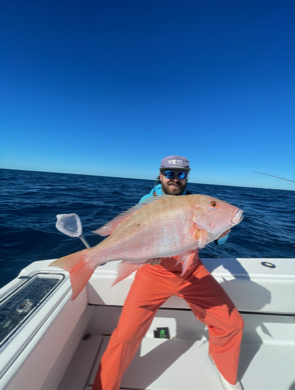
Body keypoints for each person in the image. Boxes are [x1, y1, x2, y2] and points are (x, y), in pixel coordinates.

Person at [93, 155, 244, 390]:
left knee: (232, 323)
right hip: (153, 273)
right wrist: (144, 253)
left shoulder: (196, 202)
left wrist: (222, 227)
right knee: (125, 335)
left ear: (187, 177)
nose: (175, 179)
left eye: (181, 174)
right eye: (170, 173)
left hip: (192, 272)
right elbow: (136, 234)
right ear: (160, 175)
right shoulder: (147, 201)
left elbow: (218, 241)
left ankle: (225, 369)